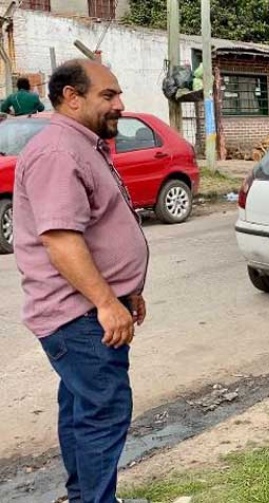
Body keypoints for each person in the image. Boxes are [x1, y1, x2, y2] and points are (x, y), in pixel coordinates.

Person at [13, 59, 149, 503]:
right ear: (72, 98)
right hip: (80, 316)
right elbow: (61, 240)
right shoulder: (58, 152)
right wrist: (108, 303)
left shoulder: (82, 144)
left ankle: (82, 496)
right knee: (104, 411)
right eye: (108, 96)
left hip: (93, 309)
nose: (120, 105)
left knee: (80, 409)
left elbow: (97, 228)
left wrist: (126, 292)